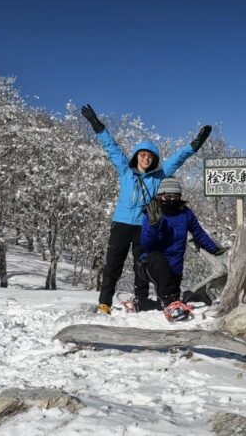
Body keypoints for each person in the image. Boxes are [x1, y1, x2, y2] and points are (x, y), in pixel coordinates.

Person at [80, 104, 211, 314]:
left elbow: (178, 158)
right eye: (143, 154)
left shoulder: (159, 176)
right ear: (137, 156)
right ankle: (104, 303)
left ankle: (140, 300)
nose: (146, 158)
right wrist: (97, 125)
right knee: (113, 264)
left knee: (141, 264)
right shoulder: (125, 170)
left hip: (143, 224)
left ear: (154, 159)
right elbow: (111, 147)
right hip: (122, 223)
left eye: (150, 156)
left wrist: (195, 144)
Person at [140, 177, 228, 320]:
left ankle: (150, 304)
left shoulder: (185, 213)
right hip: (151, 265)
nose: (172, 200)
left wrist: (214, 249)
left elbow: (198, 233)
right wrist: (153, 225)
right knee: (158, 263)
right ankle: (170, 306)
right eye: (168, 196)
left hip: (175, 268)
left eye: (175, 196)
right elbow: (146, 244)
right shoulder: (152, 213)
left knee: (171, 296)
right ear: (160, 196)